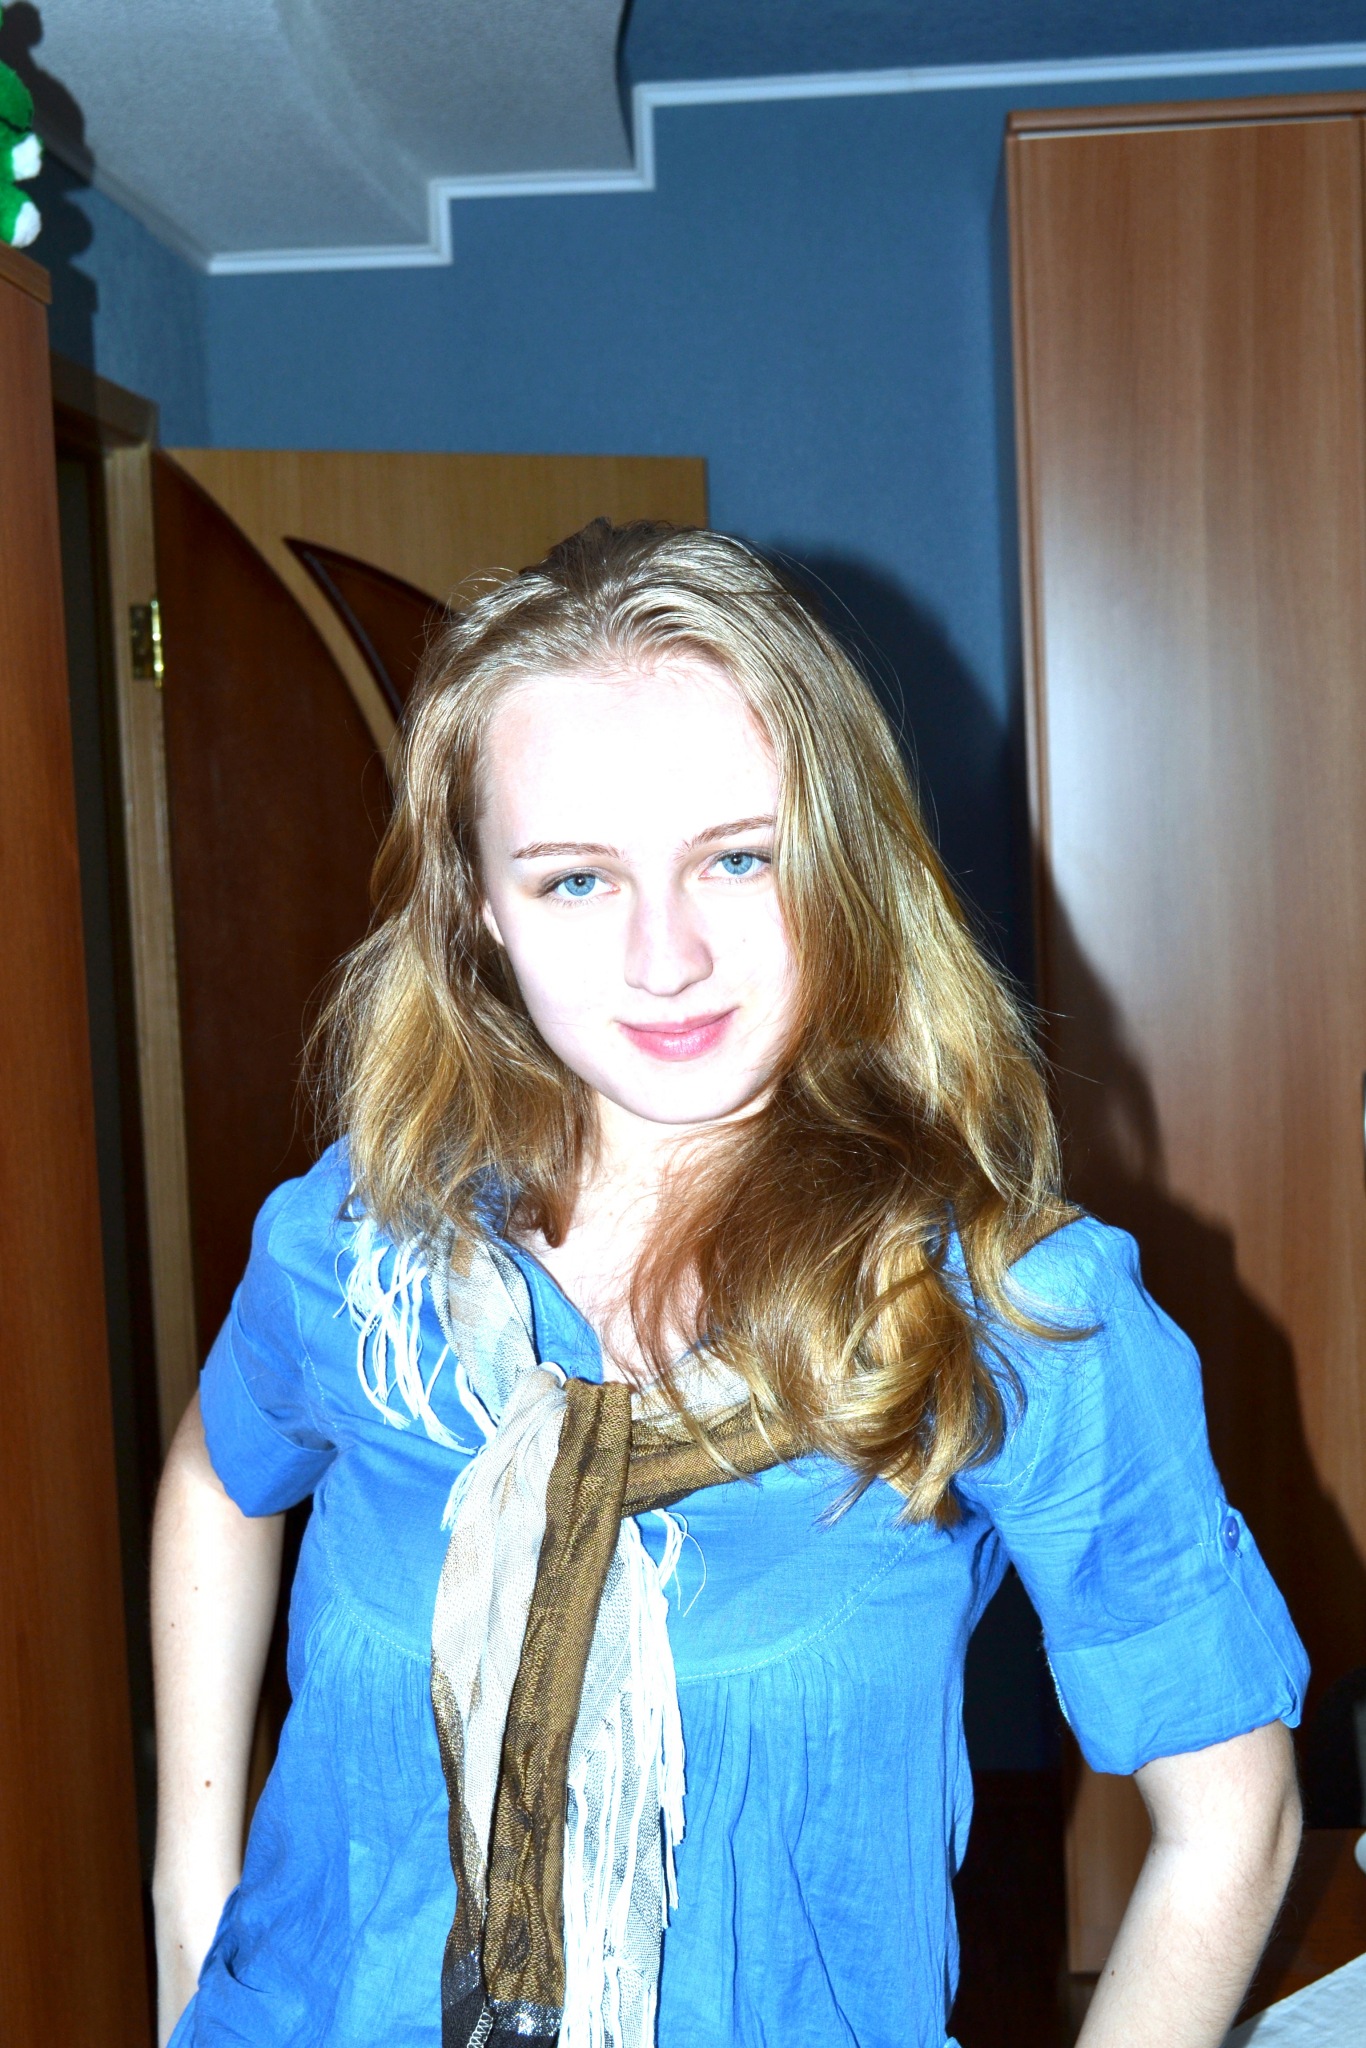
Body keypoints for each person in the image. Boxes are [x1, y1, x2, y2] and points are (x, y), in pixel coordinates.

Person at [152, 521, 1306, 2048]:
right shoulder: (362, 1242)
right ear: (478, 908)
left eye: (737, 859)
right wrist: (189, 1918)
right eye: (576, 880)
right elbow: (218, 1480)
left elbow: (1231, 1822)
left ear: (842, 863)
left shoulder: (1012, 1311)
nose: (667, 958)